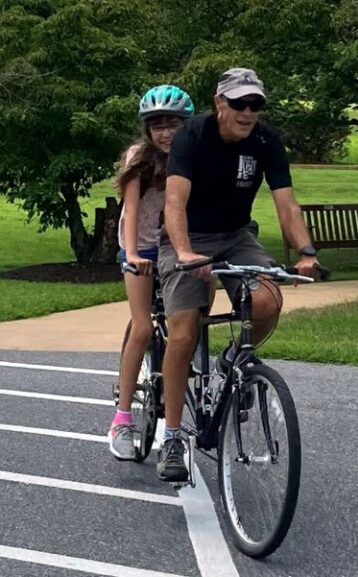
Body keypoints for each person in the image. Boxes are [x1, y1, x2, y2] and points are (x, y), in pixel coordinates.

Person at [156, 67, 322, 482]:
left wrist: (306, 252)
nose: (248, 112)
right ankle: (173, 436)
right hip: (187, 237)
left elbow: (286, 204)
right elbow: (174, 203)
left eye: (256, 104)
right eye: (239, 104)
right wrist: (184, 252)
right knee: (183, 331)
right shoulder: (191, 137)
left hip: (236, 236)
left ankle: (233, 359)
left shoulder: (266, 141)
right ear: (219, 104)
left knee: (267, 299)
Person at [109, 85, 195, 460]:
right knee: (142, 326)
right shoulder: (138, 158)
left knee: (188, 323)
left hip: (174, 246)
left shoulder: (193, 155)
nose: (165, 132)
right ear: (146, 129)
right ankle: (122, 418)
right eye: (157, 125)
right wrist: (130, 254)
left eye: (173, 124)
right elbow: (129, 209)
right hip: (141, 245)